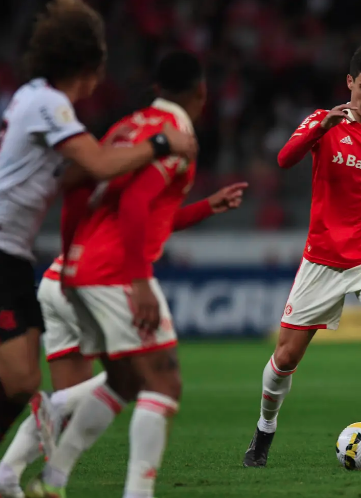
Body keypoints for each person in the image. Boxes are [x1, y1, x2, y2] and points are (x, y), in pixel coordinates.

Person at [0, 0, 196, 449]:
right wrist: (161, 143)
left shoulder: (35, 96)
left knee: (23, 381)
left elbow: (74, 176)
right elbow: (99, 164)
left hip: (15, 255)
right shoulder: (49, 103)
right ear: (88, 63)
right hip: (1, 249)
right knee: (18, 379)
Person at [25, 50, 208, 498]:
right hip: (116, 269)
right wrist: (140, 279)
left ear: (157, 88)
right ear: (200, 93)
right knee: (164, 383)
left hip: (81, 265)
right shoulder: (176, 133)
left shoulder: (128, 127)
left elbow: (75, 186)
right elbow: (134, 202)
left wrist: (69, 255)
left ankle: (53, 479)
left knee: (124, 381)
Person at [0, 182, 246, 498]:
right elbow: (139, 215)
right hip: (101, 280)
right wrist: (141, 281)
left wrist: (206, 207)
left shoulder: (116, 178)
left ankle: (8, 473)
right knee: (146, 375)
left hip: (58, 279)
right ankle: (59, 419)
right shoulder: (156, 165)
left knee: (80, 402)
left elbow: (149, 221)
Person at [242, 45, 361, 468]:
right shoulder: (324, 122)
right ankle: (265, 429)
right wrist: (320, 127)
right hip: (323, 259)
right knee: (286, 358)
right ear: (350, 83)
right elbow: (284, 159)